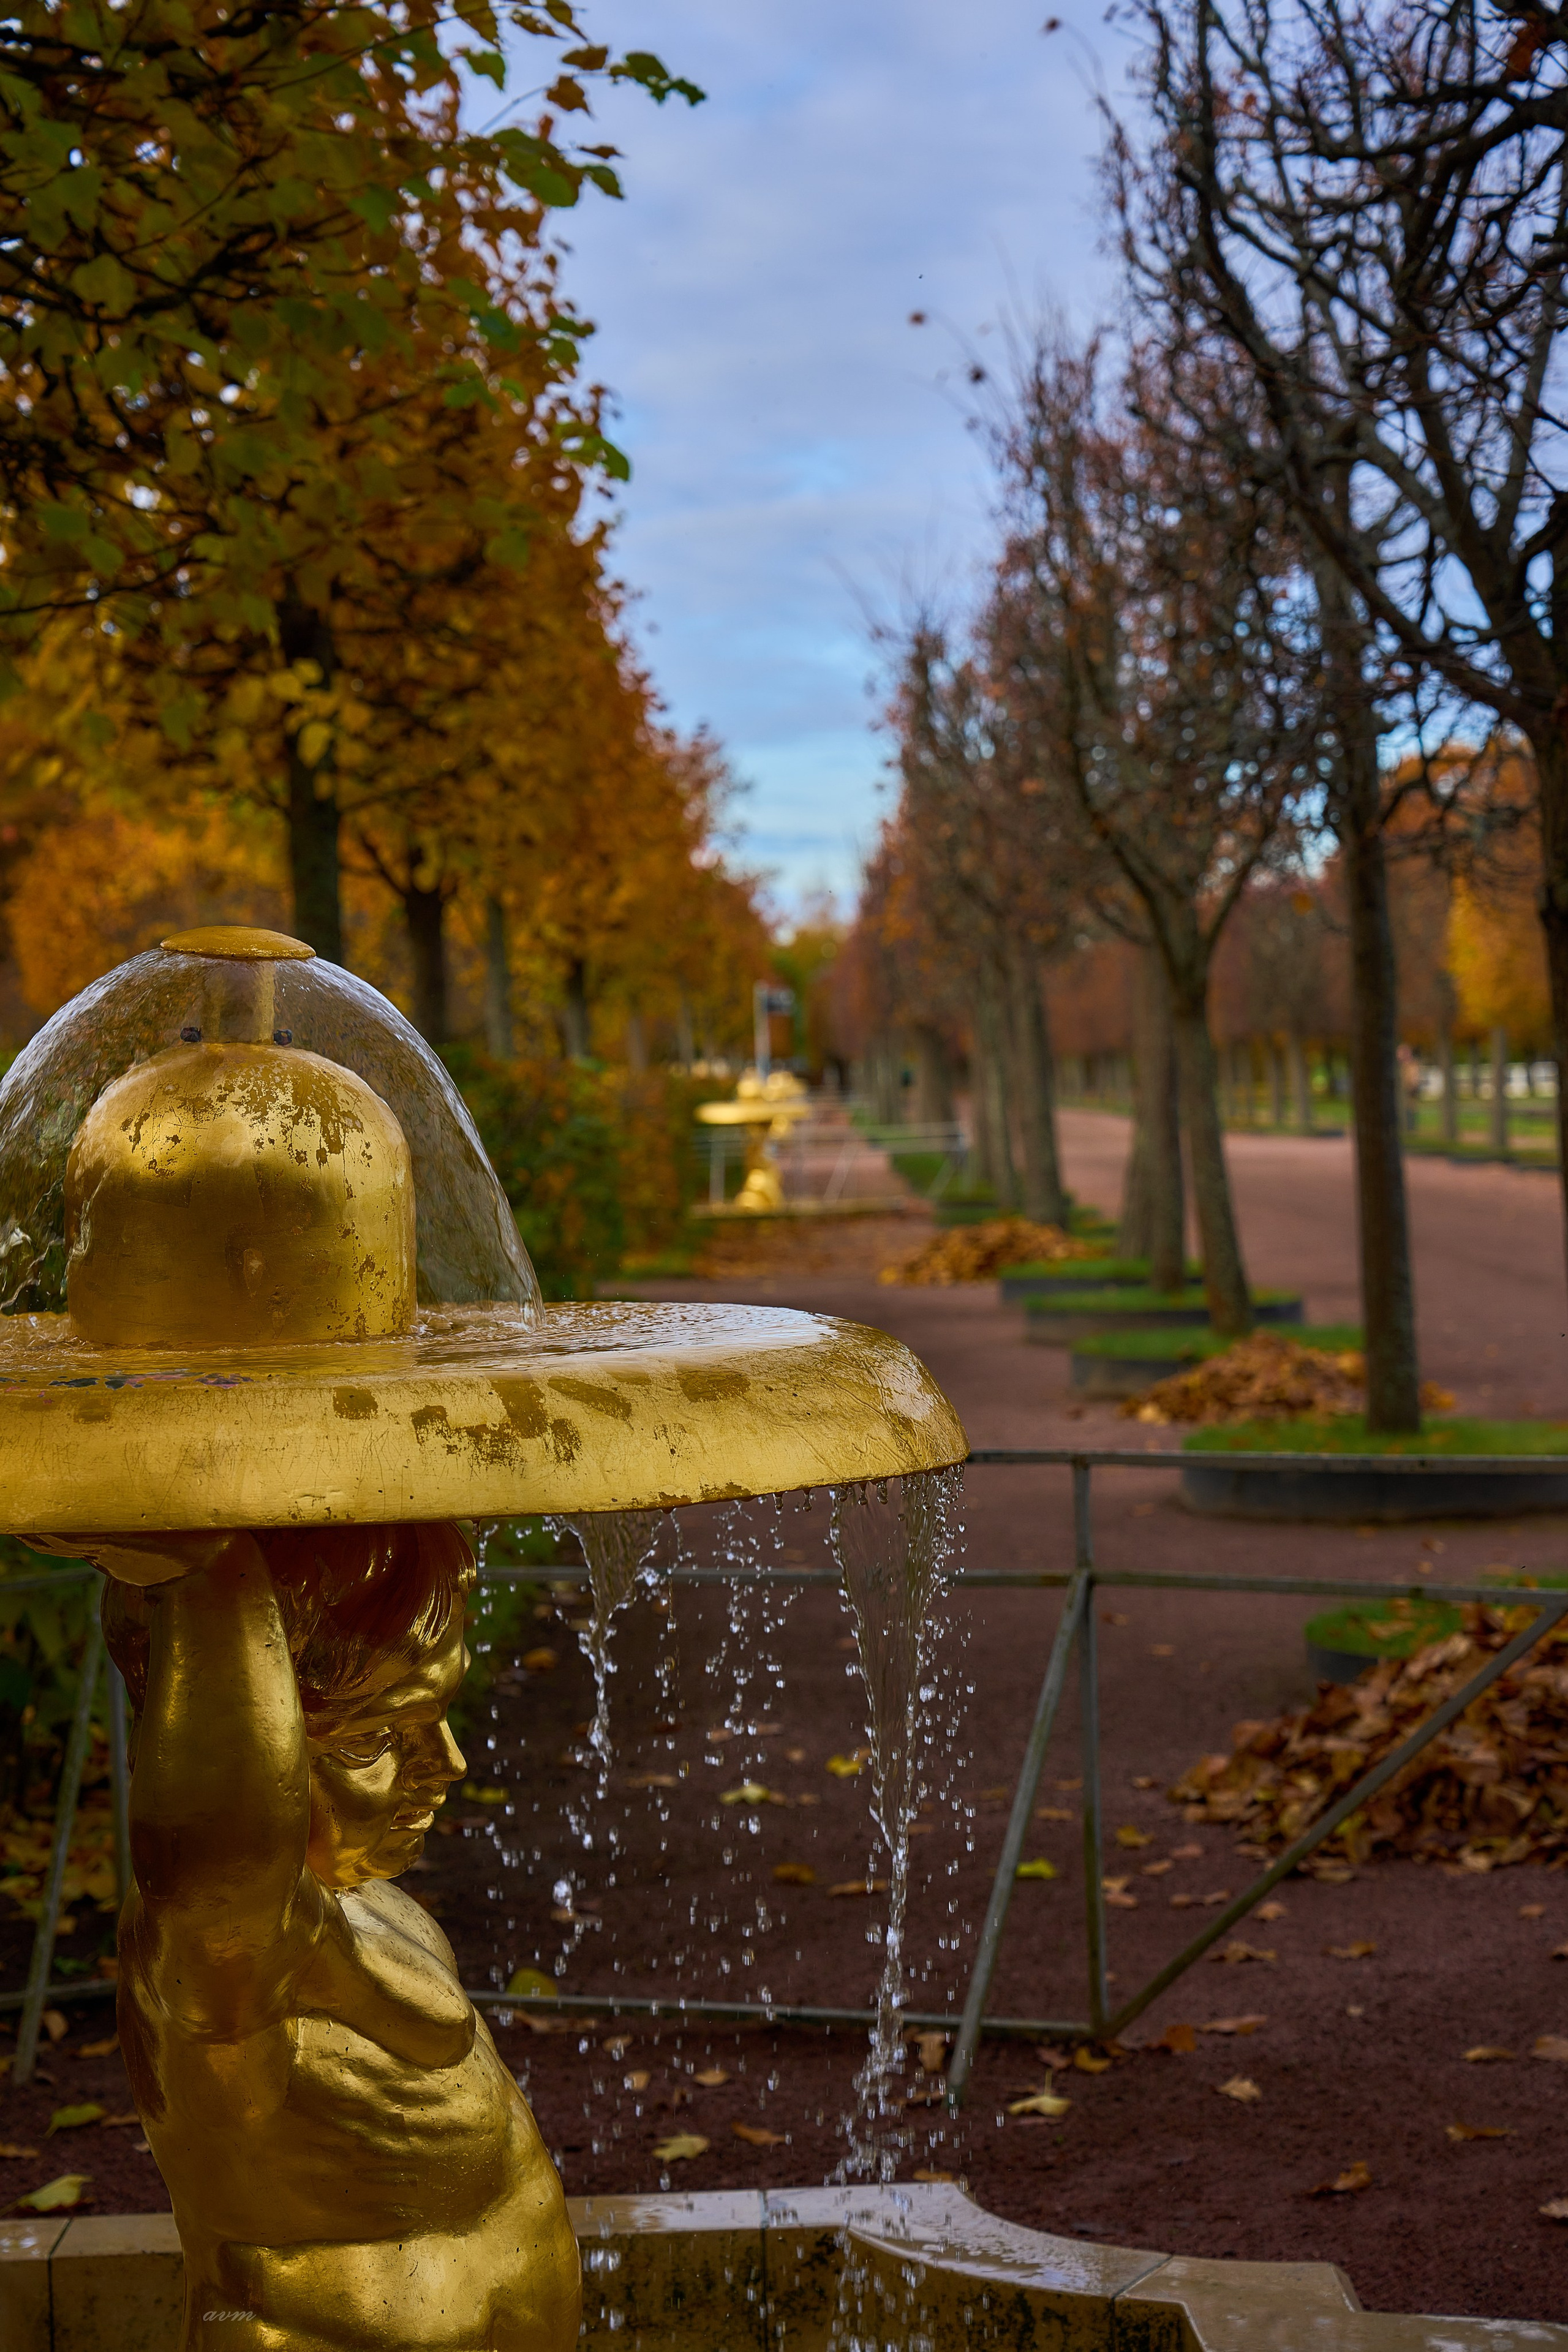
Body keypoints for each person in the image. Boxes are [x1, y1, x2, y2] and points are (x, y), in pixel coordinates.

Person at [61, 1519, 579, 2352]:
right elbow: (219, 1866)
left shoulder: (363, 1900)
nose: (448, 1766)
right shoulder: (221, 1960)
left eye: (437, 1717)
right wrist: (211, 1578)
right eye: (374, 1741)